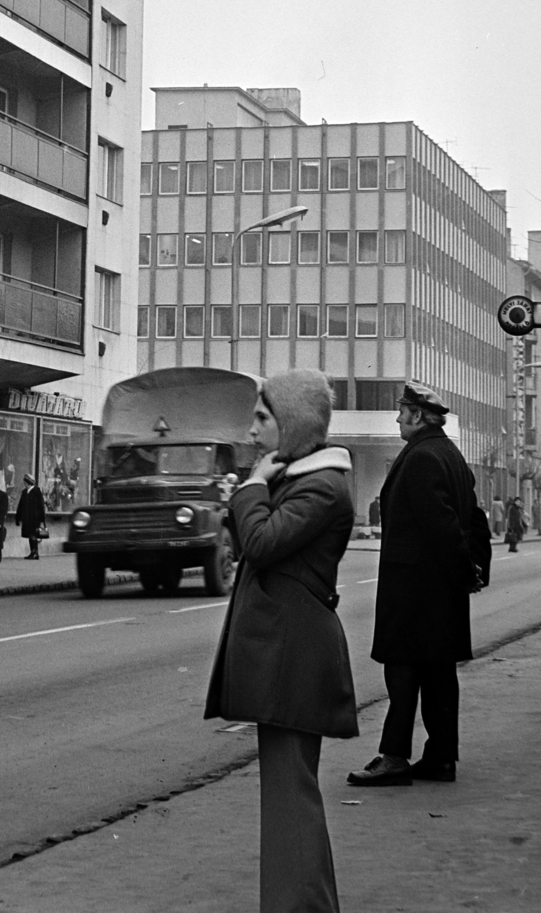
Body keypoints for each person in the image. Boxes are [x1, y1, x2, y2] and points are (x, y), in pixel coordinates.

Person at [204, 369, 356, 913]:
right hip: (283, 654)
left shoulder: (322, 485)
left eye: (263, 419)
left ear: (290, 425)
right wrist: (256, 487)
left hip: (294, 656)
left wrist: (250, 488)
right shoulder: (296, 479)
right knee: (287, 796)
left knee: (292, 797)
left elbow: (263, 543)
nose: (251, 432)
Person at [348, 381, 484, 788]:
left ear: (419, 416)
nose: (396, 417)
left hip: (415, 592)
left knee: (403, 674)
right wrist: (473, 571)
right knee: (439, 675)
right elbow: (475, 520)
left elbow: (441, 525)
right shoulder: (449, 454)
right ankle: (441, 758)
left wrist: (464, 570)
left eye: (403, 410)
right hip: (440, 593)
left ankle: (394, 758)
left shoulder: (422, 457)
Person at [16, 474, 47, 559]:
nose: (24, 484)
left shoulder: (36, 492)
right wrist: (18, 517)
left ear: (28, 483)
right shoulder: (24, 492)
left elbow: (41, 506)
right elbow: (20, 505)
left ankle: (35, 552)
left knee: (33, 535)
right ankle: (33, 552)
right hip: (26, 518)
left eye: (25, 482)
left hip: (34, 518)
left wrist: (42, 519)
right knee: (30, 535)